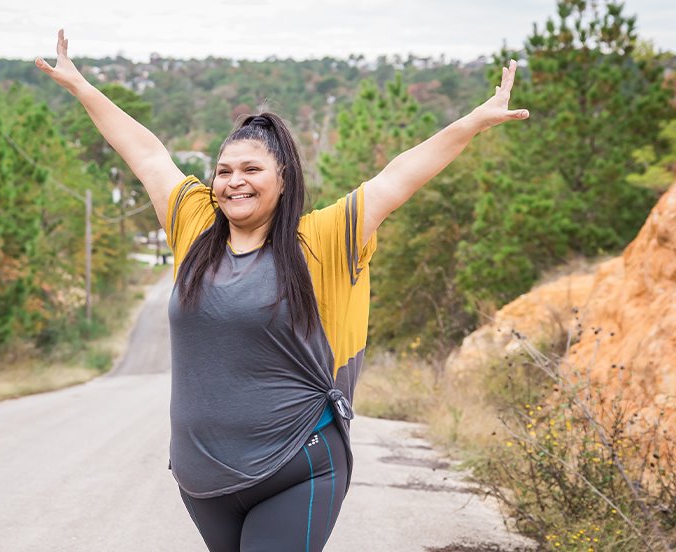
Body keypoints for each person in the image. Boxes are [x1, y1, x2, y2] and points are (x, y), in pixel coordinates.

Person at [35, 29, 529, 551]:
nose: (233, 181)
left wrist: (474, 122)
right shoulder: (193, 223)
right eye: (223, 171)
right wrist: (81, 86)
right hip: (203, 480)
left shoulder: (324, 237)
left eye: (251, 169)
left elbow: (399, 174)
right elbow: (147, 154)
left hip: (299, 461)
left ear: (284, 177)